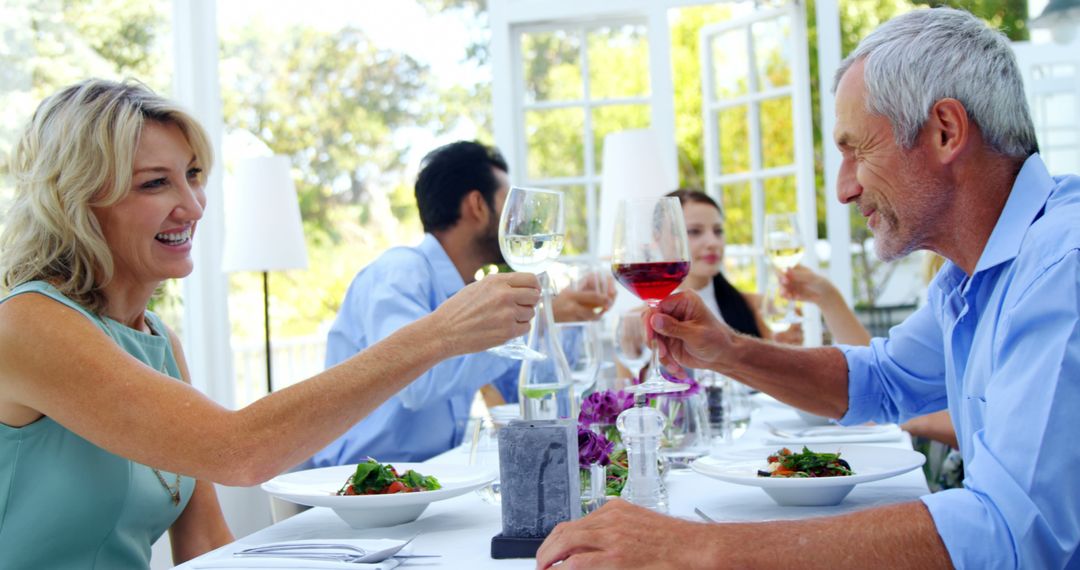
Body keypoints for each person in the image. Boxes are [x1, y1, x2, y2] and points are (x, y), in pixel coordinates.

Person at [537, 7, 1080, 568]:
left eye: (856, 150)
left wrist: (696, 547)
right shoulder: (973, 276)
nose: (844, 189)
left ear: (945, 130)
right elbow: (881, 381)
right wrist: (727, 350)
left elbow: (1012, 533)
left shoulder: (1063, 270)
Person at [0, 79, 542, 569]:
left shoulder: (158, 341)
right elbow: (239, 451)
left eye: (192, 175)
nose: (192, 206)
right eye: (154, 184)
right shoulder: (28, 324)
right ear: (77, 201)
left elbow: (207, 542)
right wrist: (439, 334)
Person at [302, 140, 613, 467]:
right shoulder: (400, 273)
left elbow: (517, 391)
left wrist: (560, 321)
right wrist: (534, 320)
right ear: (478, 205)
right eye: (508, 204)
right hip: (359, 488)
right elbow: (416, 386)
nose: (519, 222)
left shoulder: (468, 293)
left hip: (428, 483)